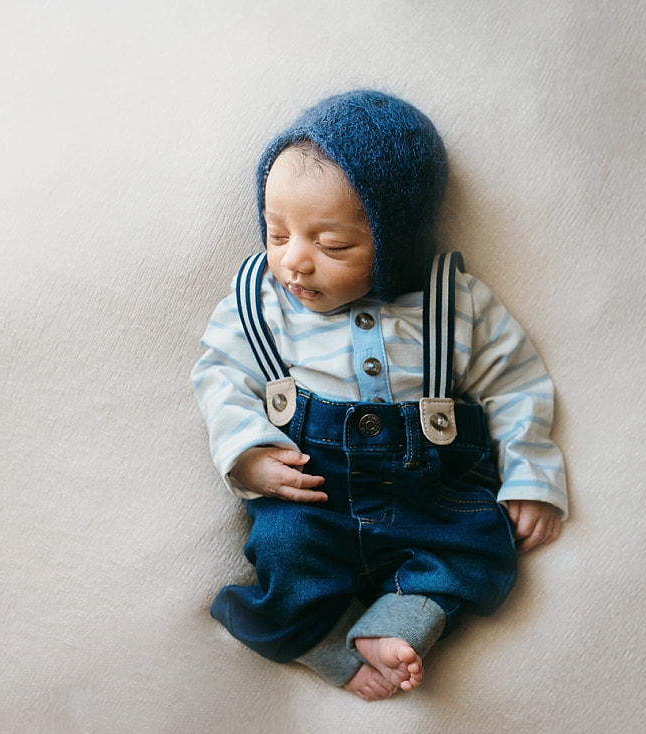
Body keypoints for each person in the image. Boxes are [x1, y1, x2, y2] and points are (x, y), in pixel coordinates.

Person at [191, 89, 567, 701]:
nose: (295, 262)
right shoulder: (259, 300)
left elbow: (514, 381)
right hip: (313, 488)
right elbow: (219, 374)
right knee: (284, 548)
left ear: (395, 238)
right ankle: (323, 639)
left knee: (485, 544)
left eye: (332, 245)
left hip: (430, 490)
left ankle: (398, 619)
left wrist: (530, 475)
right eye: (276, 232)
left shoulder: (455, 302)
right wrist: (249, 451)